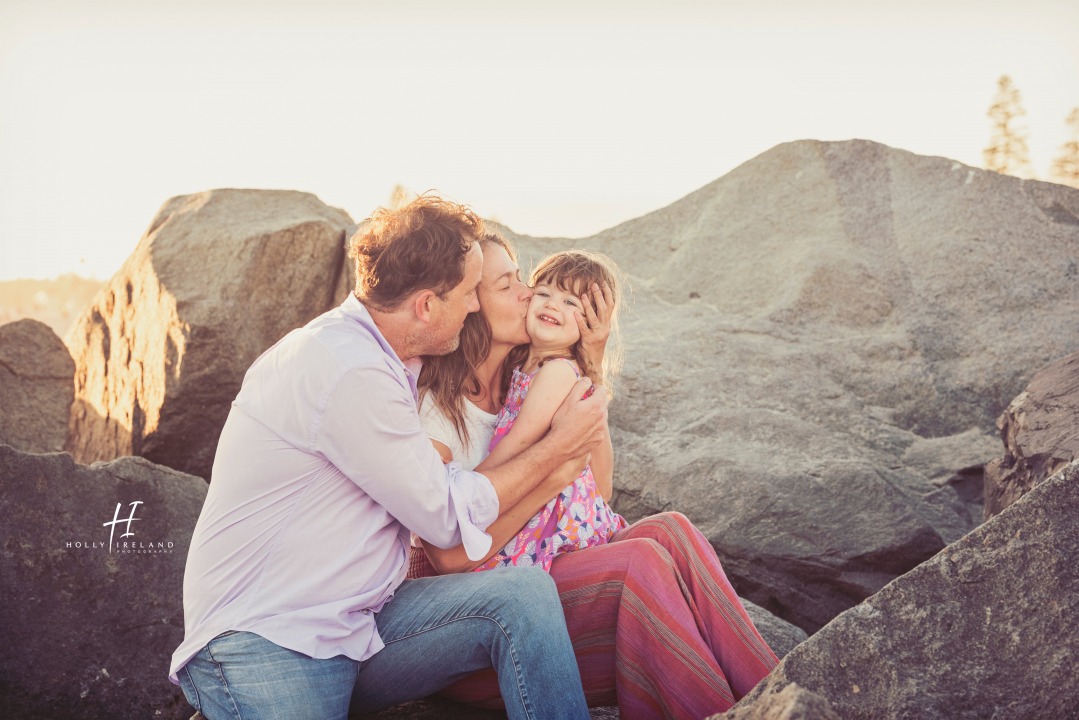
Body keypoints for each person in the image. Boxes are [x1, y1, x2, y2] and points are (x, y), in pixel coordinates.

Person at [168, 196, 607, 720]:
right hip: (268, 638)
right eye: (470, 293)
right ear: (426, 305)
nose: (474, 308)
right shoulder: (346, 367)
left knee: (524, 598)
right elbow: (445, 519)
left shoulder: (398, 362)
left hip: (360, 629)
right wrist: (557, 452)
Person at [413, 232, 780, 719]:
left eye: (524, 278)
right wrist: (552, 462)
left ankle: (782, 692)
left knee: (670, 529)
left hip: (532, 570)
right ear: (468, 306)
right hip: (481, 626)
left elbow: (598, 493)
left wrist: (593, 355)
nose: (528, 293)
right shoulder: (438, 407)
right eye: (508, 285)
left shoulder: (522, 379)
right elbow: (446, 557)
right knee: (639, 561)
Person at [466, 250, 628, 572]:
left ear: (591, 323)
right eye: (544, 293)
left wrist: (468, 490)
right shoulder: (524, 366)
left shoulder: (557, 372)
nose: (553, 304)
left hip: (554, 527)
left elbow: (519, 444)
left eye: (571, 303)